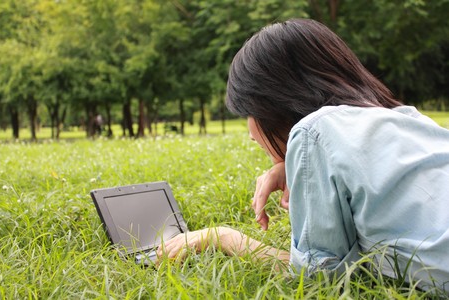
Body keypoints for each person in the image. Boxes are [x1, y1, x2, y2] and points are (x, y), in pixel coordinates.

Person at [157, 18, 449, 292]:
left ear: (275, 101)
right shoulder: (408, 117)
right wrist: (294, 164)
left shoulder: (314, 131)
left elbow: (319, 277)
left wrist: (222, 237)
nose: (250, 131)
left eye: (249, 111)